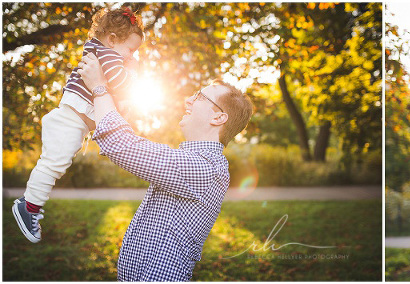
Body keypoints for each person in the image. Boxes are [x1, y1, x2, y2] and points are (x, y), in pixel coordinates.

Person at [75, 51, 254, 280]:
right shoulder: (194, 161)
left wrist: (99, 87)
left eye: (200, 97)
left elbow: (122, 144)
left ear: (218, 118)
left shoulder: (206, 168)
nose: (188, 100)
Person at [12, 7, 144, 243]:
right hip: (70, 120)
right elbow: (121, 84)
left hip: (72, 120)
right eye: (132, 50)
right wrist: (134, 73)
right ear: (113, 40)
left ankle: (30, 204)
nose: (133, 57)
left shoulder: (101, 51)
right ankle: (28, 206)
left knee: (55, 164)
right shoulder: (110, 55)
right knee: (53, 164)